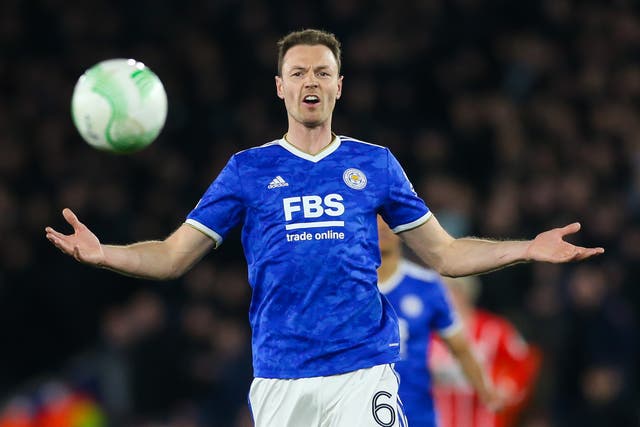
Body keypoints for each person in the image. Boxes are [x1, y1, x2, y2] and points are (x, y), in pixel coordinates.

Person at [45, 29, 603, 427]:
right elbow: (171, 256)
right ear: (280, 88)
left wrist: (529, 247)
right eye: (298, 73)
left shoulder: (377, 164)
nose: (310, 80)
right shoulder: (248, 170)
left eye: (322, 72)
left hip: (363, 369)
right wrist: (105, 254)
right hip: (281, 374)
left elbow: (447, 255)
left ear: (339, 86)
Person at [376, 216, 504, 426]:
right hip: (365, 409)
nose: (381, 227)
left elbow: (460, 347)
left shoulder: (427, 286)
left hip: (417, 413)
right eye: (374, 220)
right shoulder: (350, 287)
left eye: (387, 219)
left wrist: (486, 390)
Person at [429, 275, 541, 427]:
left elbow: (524, 361)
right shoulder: (430, 333)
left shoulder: (494, 329)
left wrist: (506, 388)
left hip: (485, 420)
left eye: (449, 292)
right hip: (440, 419)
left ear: (464, 294)